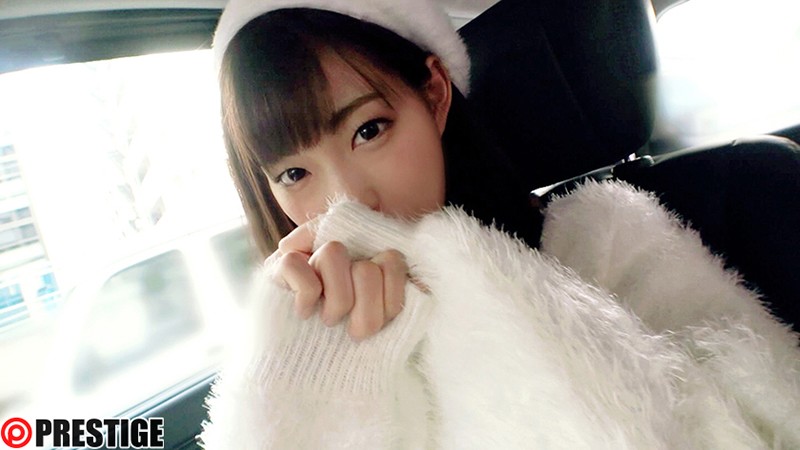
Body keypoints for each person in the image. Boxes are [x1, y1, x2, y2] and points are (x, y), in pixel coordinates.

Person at [201, 0, 800, 448]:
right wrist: (309, 364)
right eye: (293, 173)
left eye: (369, 130)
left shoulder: (611, 237)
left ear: (434, 96)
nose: (349, 201)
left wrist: (463, 282)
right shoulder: (305, 329)